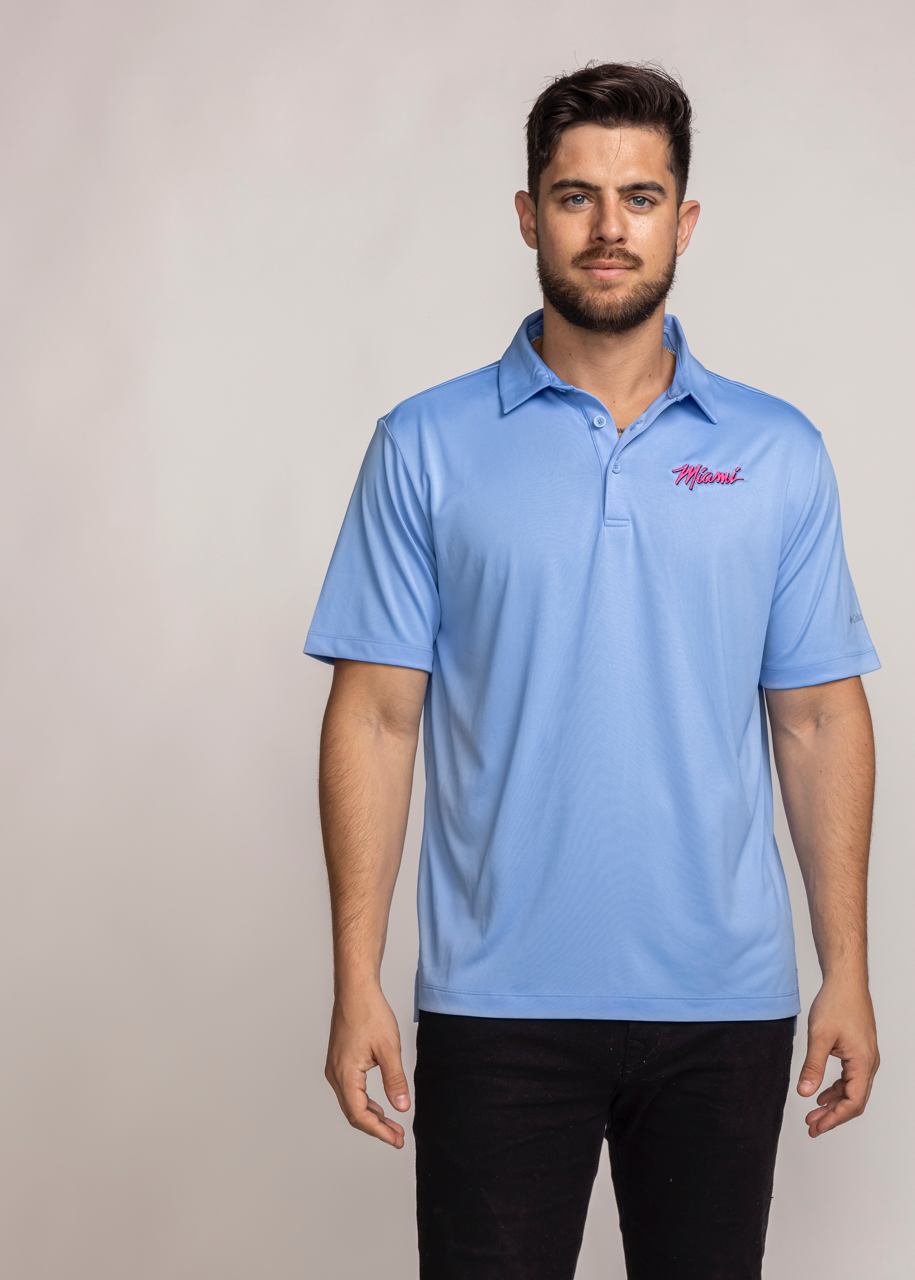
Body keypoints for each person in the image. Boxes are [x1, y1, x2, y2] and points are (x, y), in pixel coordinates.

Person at [305, 61, 881, 1280]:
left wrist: (848, 967)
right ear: (528, 215)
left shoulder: (777, 453)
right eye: (576, 196)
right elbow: (375, 717)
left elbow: (818, 719)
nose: (609, 226)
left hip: (723, 1004)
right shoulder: (425, 444)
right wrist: (355, 976)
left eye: (639, 196)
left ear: (684, 219)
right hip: (495, 1005)